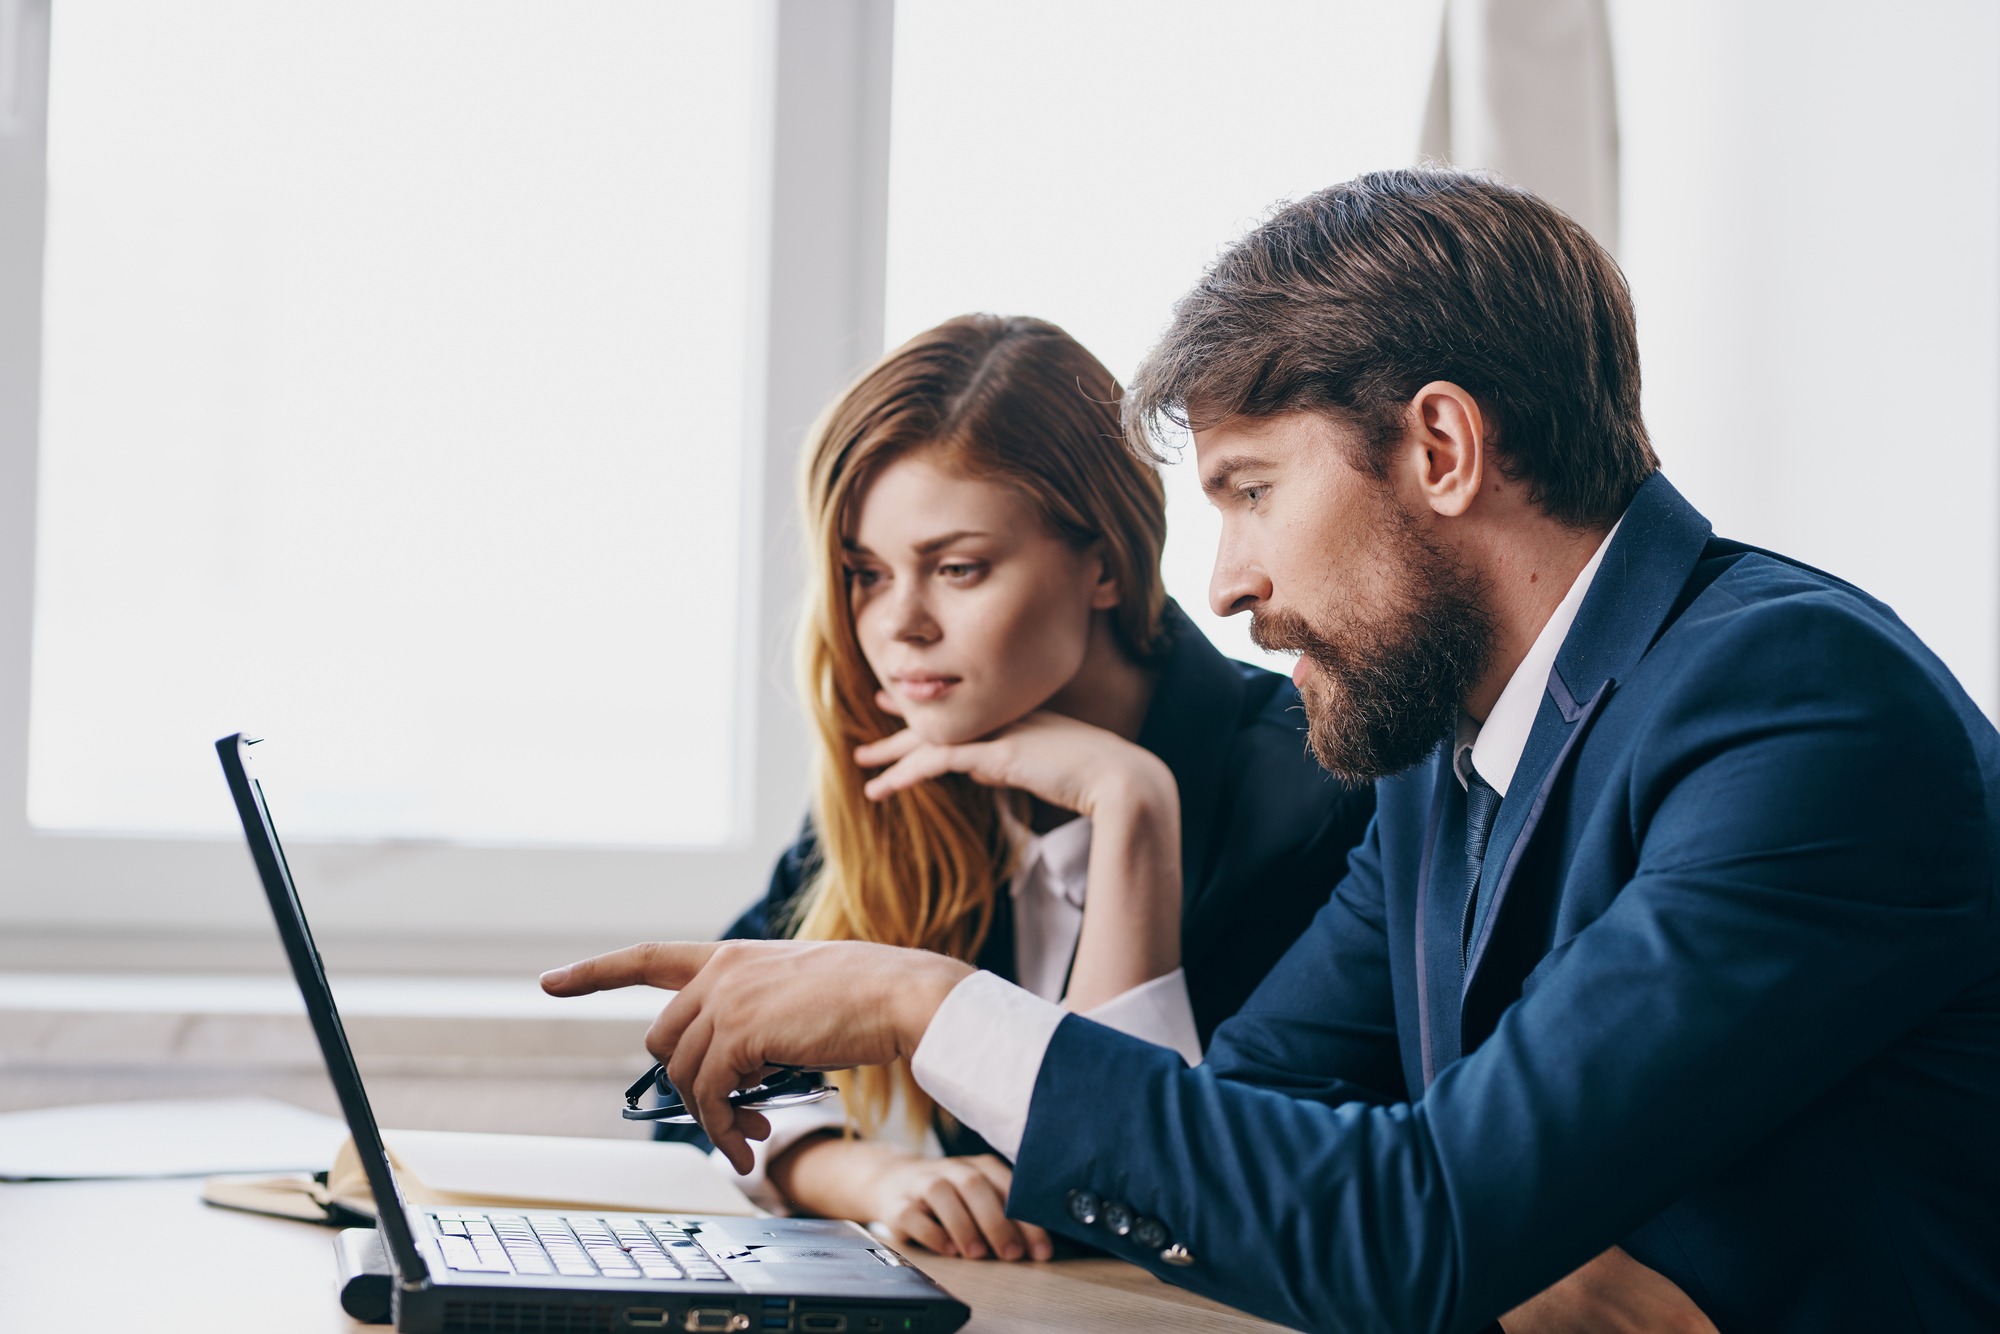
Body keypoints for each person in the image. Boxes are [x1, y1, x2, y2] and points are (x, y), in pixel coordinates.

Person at [544, 171, 2000, 1332]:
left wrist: (930, 1007)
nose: (1226, 580)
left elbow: (1404, 1227)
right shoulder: (1439, 747)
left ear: (1442, 449)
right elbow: (1235, 1147)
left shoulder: (1798, 706)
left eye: (1250, 489)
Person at [680, 313, 1374, 1262]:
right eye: (865, 575)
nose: (900, 626)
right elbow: (700, 1068)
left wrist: (1129, 805)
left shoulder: (1316, 787)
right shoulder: (914, 751)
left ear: (1102, 562)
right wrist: (870, 1175)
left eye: (957, 568)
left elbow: (1152, 1189)